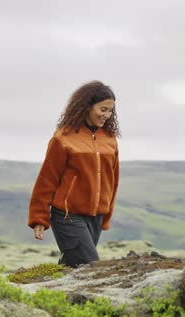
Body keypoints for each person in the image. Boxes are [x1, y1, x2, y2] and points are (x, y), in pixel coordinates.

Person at [28, 81, 120, 268]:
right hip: (68, 216)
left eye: (110, 111)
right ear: (86, 106)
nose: (107, 115)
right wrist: (39, 218)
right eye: (103, 109)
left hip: (96, 216)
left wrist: (107, 213)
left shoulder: (109, 139)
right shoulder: (64, 138)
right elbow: (47, 179)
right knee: (89, 267)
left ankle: (49, 295)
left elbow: (113, 179)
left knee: (72, 268)